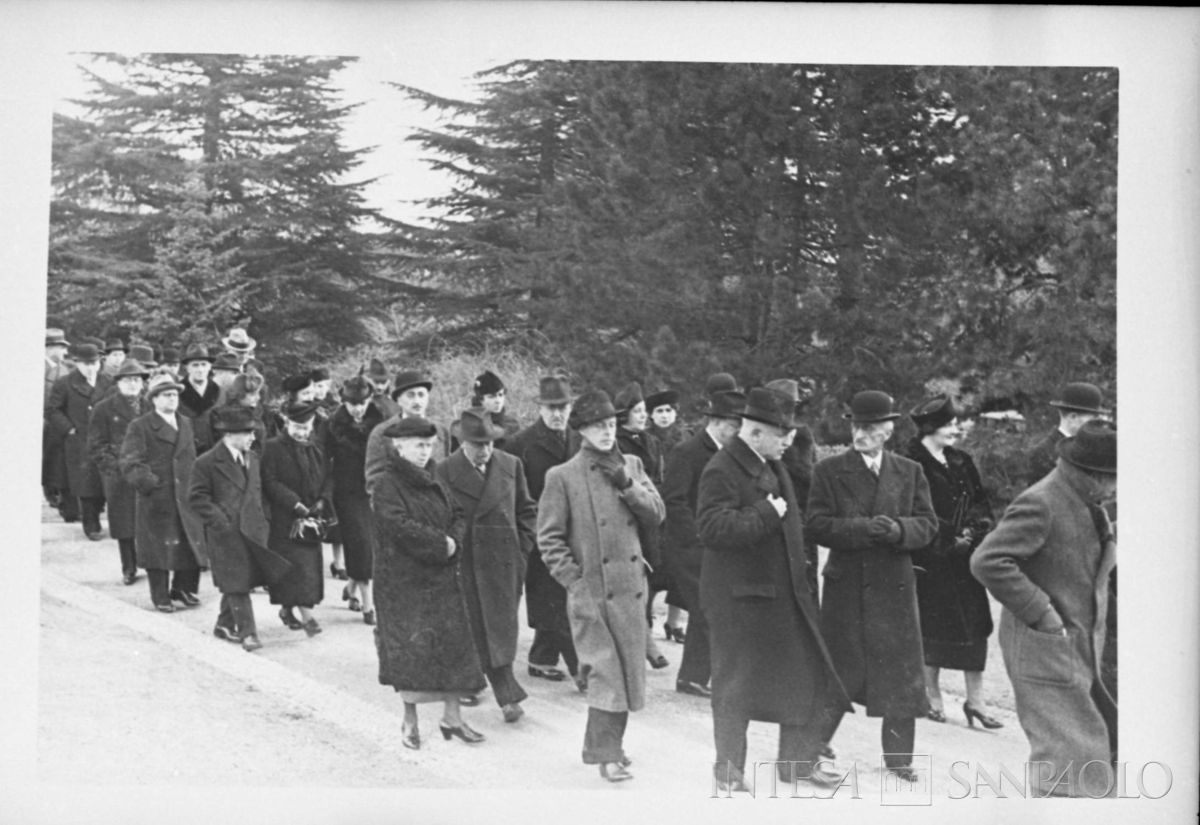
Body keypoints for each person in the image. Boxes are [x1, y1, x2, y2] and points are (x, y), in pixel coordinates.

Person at [696, 386, 852, 791]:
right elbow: (712, 529)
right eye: (782, 433)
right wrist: (766, 512)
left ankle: (796, 764)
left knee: (804, 677)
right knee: (735, 689)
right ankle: (728, 774)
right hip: (740, 602)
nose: (789, 441)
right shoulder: (723, 468)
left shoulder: (770, 462)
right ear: (755, 431)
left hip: (778, 596)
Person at [971, 420, 1118, 797]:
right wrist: (1043, 615)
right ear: (1093, 475)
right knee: (1069, 761)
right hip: (1045, 647)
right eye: (1112, 478)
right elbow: (988, 560)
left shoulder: (1086, 502)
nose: (1116, 487)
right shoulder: (1043, 501)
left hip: (1074, 647)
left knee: (1085, 757)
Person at [805, 390, 938, 783]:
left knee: (900, 673)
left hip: (894, 587)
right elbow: (816, 525)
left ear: (887, 431)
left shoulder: (909, 471)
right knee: (838, 671)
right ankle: (808, 749)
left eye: (868, 428)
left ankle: (899, 758)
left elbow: (928, 524)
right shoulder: (829, 471)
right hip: (847, 588)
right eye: (856, 426)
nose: (859, 434)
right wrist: (862, 530)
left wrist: (899, 530)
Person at [537, 389, 665, 783]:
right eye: (598, 426)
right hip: (592, 592)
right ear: (582, 431)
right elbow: (549, 538)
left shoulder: (631, 464)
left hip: (630, 589)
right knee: (605, 673)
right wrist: (574, 582)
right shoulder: (562, 476)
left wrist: (628, 483)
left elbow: (657, 514)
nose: (608, 432)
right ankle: (606, 754)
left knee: (625, 673)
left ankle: (609, 748)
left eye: (611, 424)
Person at [370, 416, 487, 751]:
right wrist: (442, 544)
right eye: (419, 445)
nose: (425, 451)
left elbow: (458, 514)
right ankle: (410, 721)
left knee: (451, 649)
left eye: (429, 445)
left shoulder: (433, 476)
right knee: (411, 653)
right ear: (400, 447)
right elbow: (397, 524)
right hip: (403, 583)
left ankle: (453, 717)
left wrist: (453, 540)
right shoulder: (387, 484)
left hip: (441, 576)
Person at [900, 396, 1002, 728]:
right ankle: (931, 694)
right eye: (949, 424)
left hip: (964, 557)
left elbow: (980, 502)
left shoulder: (961, 460)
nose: (955, 430)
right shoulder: (909, 461)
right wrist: (946, 538)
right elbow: (911, 508)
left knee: (975, 625)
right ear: (930, 428)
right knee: (933, 625)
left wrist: (973, 531)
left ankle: (976, 700)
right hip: (930, 556)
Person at [435, 408, 538, 723]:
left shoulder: (511, 465)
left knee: (502, 627)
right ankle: (505, 694)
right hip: (464, 564)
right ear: (462, 442)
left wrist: (521, 551)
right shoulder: (444, 471)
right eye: (478, 444)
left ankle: (486, 684)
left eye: (490, 443)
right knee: (474, 626)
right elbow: (438, 518)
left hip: (503, 563)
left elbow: (526, 510)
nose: (485, 450)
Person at [661, 379, 746, 699]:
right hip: (688, 548)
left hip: (715, 547)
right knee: (707, 608)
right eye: (733, 425)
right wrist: (698, 536)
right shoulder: (688, 452)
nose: (737, 431)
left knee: (708, 608)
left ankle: (694, 676)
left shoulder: (731, 453)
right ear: (716, 422)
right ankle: (696, 676)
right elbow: (675, 501)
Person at [188, 405, 291, 652]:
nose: (253, 438)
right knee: (237, 582)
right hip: (227, 533)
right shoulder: (207, 462)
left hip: (253, 530)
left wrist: (264, 521)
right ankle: (248, 633)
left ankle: (223, 625)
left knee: (239, 579)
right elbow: (197, 498)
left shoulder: (253, 459)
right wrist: (220, 521)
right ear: (229, 435)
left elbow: (260, 494)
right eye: (248, 433)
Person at [502, 375, 582, 687]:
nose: (557, 414)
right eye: (551, 408)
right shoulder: (520, 444)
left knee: (561, 597)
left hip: (575, 533)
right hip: (539, 534)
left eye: (563, 407)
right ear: (540, 408)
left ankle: (541, 657)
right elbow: (514, 496)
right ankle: (581, 670)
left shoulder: (579, 441)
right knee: (553, 598)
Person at [118, 373, 208, 612]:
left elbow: (194, 457)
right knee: (158, 550)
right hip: (158, 497)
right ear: (154, 399)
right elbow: (129, 462)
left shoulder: (186, 422)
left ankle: (184, 590)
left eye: (175, 394)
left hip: (186, 495)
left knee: (188, 544)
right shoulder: (141, 426)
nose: (172, 399)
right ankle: (160, 596)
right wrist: (150, 484)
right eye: (166, 395)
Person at [261, 401, 333, 637]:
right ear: (286, 423)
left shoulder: (317, 446)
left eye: (306, 428)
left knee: (308, 570)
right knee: (294, 569)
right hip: (286, 518)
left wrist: (323, 499)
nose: (301, 433)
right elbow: (270, 481)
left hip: (312, 517)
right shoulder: (272, 447)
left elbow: (328, 477)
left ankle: (287, 609)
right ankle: (308, 618)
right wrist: (295, 503)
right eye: (296, 427)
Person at [612, 381, 671, 669]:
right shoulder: (617, 443)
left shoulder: (651, 442)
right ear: (624, 414)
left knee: (647, 578)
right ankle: (641, 641)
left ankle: (644, 636)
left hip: (651, 515)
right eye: (637, 411)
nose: (643, 415)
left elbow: (657, 478)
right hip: (628, 517)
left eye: (643, 410)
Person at [321, 375, 385, 624]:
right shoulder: (331, 425)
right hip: (347, 492)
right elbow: (323, 460)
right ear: (343, 402)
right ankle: (369, 606)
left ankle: (352, 586)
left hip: (376, 489)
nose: (358, 409)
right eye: (352, 404)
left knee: (371, 542)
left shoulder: (381, 422)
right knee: (359, 541)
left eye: (362, 403)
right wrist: (325, 493)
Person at [87, 359, 149, 584]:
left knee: (149, 518)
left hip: (146, 471)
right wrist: (114, 467)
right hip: (119, 474)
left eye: (137, 379)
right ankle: (129, 567)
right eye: (128, 379)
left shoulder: (151, 405)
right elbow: (96, 444)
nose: (133, 384)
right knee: (124, 522)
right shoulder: (104, 408)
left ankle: (150, 564)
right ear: (119, 382)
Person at [46, 341, 114, 540]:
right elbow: (53, 410)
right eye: (86, 364)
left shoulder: (108, 381)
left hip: (106, 440)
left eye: (94, 363)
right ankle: (91, 525)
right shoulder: (65, 383)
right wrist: (70, 429)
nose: (91, 368)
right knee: (86, 484)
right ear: (77, 364)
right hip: (80, 441)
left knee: (107, 481)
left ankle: (110, 522)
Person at [365, 369, 451, 493]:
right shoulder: (382, 433)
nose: (416, 401)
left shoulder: (440, 431)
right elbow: (374, 481)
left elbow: (445, 475)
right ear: (398, 400)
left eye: (421, 395)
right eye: (410, 395)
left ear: (427, 398)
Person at [1025, 382, 1110, 486]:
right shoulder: (1043, 454)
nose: (1097, 425)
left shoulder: (1093, 450)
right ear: (1073, 417)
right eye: (1093, 418)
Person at [43, 328, 76, 520]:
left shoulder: (63, 369)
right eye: (61, 347)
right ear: (49, 348)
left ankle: (54, 495)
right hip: (39, 422)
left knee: (54, 461)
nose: (64, 352)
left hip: (56, 423)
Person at [450, 370, 521, 451]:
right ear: (480, 400)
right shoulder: (464, 428)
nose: (498, 401)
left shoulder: (511, 425)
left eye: (501, 395)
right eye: (491, 397)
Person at [179, 344, 221, 453]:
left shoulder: (219, 392)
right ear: (187, 368)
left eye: (203, 364)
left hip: (213, 454)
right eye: (195, 365)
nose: (200, 369)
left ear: (210, 367)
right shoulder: (177, 392)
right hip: (186, 453)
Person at [645, 388, 688, 453]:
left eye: (668, 410)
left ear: (676, 413)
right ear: (651, 415)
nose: (664, 416)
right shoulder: (644, 438)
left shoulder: (687, 437)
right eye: (659, 411)